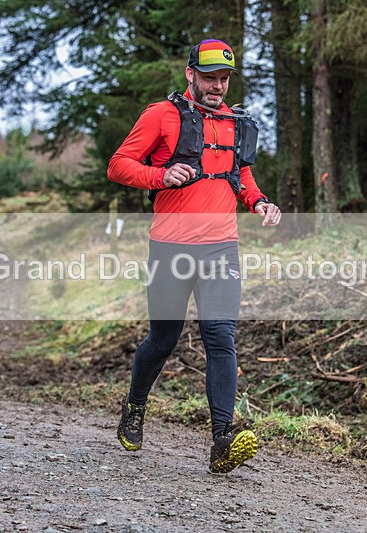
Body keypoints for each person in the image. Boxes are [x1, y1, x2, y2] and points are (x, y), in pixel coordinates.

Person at [107, 38, 281, 473]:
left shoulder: (235, 122)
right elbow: (118, 165)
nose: (217, 86)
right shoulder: (161, 115)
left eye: (223, 78)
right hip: (171, 248)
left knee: (220, 337)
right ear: (190, 75)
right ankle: (135, 405)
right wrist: (161, 176)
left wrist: (258, 201)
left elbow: (239, 173)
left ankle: (223, 438)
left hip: (222, 247)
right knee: (162, 340)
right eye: (209, 78)